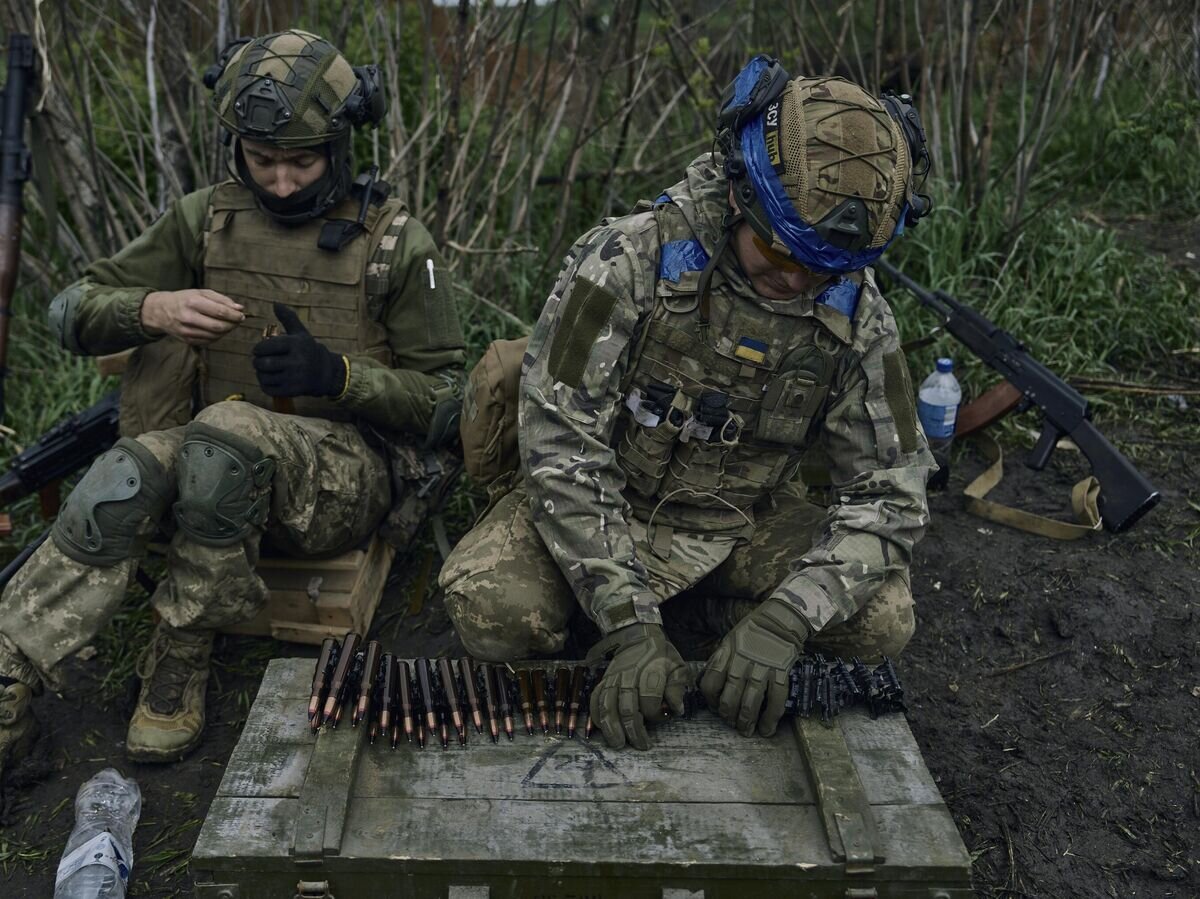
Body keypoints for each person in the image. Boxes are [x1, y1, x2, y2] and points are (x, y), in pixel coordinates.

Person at [0, 30, 464, 774]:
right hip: (216, 468)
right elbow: (69, 309)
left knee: (222, 433)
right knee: (124, 475)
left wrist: (340, 376)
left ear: (340, 146)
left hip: (344, 481)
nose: (280, 183)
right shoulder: (205, 219)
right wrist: (153, 307)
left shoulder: (396, 243)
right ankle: (7, 674)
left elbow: (449, 401)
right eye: (261, 160)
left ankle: (181, 654)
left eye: (301, 162)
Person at [440, 58, 935, 750]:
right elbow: (559, 443)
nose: (794, 280)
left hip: (743, 522)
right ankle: (655, 625)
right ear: (739, 195)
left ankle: (726, 624)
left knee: (885, 616)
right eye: (775, 249)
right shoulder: (626, 260)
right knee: (492, 609)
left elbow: (894, 490)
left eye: (822, 268)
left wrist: (789, 618)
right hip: (609, 503)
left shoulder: (857, 315)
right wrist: (627, 619)